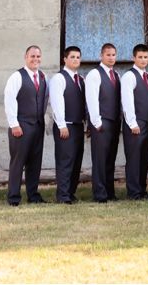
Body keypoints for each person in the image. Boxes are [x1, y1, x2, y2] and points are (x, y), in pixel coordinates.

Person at [3, 45, 49, 206]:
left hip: (37, 125)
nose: (36, 59)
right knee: (18, 162)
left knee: (35, 162)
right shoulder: (17, 77)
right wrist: (14, 124)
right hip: (21, 125)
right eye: (32, 56)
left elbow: (43, 100)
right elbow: (9, 100)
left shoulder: (43, 76)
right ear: (25, 57)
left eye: (38, 56)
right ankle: (14, 197)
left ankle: (33, 195)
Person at [49, 45, 86, 204]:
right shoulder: (59, 78)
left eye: (78, 57)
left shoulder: (80, 79)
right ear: (65, 59)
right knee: (65, 162)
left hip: (78, 125)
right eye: (72, 57)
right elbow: (57, 103)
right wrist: (61, 124)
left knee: (76, 161)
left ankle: (71, 193)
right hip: (66, 126)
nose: (75, 60)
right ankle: (63, 196)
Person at [85, 42, 121, 203]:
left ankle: (109, 192)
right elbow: (91, 99)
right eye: (108, 55)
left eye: (113, 55)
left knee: (110, 159)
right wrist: (96, 122)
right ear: (101, 55)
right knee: (99, 159)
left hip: (114, 122)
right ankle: (99, 194)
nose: (111, 58)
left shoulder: (117, 75)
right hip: (101, 122)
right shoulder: (95, 74)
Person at [121, 43, 148, 200]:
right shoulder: (129, 76)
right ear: (133, 58)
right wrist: (132, 123)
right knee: (134, 159)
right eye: (140, 57)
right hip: (135, 124)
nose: (143, 60)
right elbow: (127, 101)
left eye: (145, 57)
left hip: (147, 123)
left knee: (144, 158)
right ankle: (133, 192)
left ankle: (142, 190)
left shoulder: (146, 76)